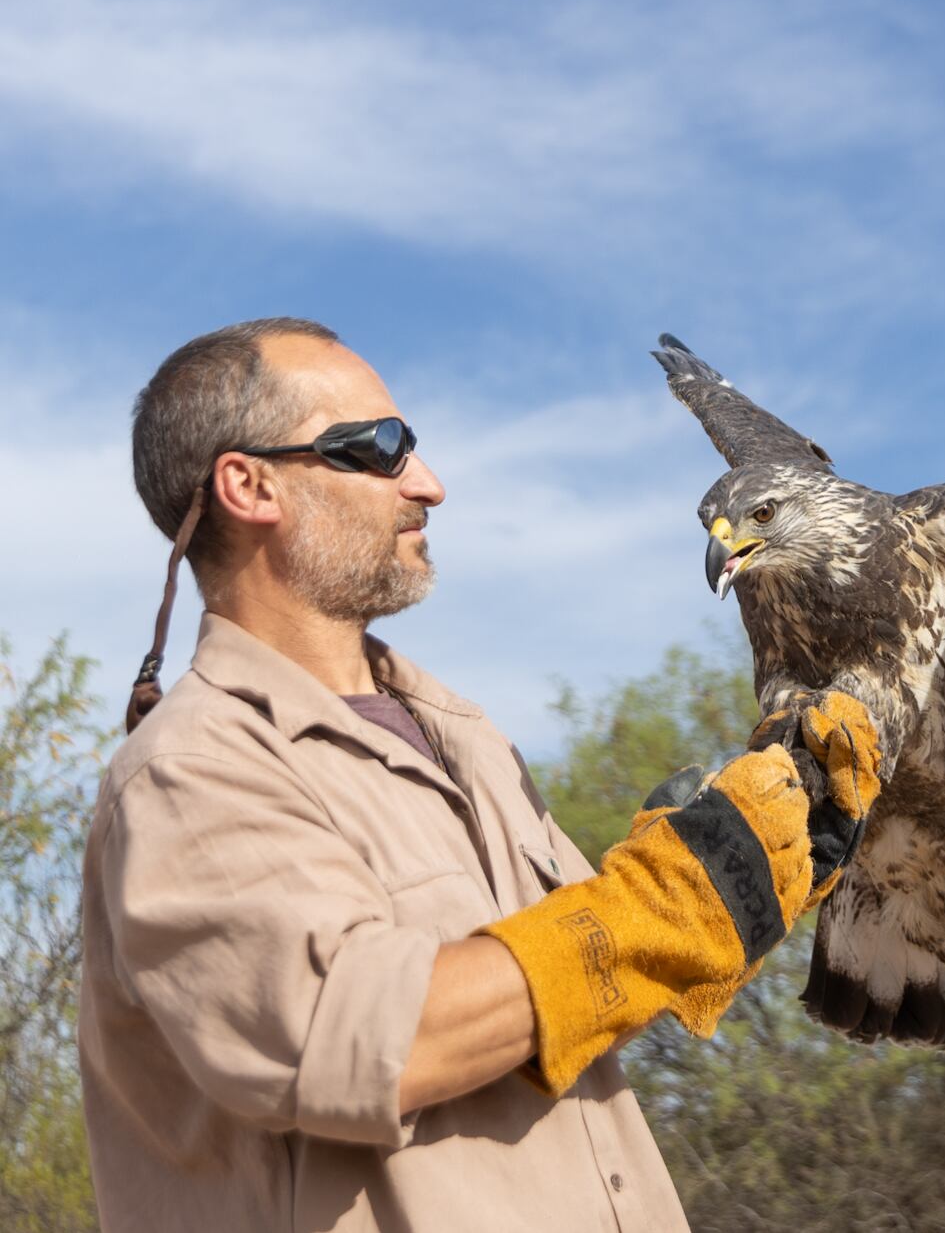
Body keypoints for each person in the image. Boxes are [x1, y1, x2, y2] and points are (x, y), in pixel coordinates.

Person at [76, 318, 880, 1232]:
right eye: (383, 448)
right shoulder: (193, 771)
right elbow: (355, 1036)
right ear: (249, 484)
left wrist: (751, 878)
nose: (429, 483)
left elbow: (594, 986)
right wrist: (661, 906)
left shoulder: (459, 734)